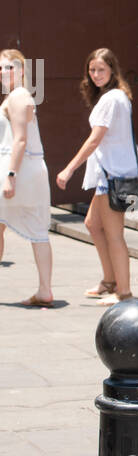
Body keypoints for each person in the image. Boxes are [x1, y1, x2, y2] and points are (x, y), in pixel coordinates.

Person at [56, 48, 138, 304]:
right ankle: (109, 280)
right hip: (114, 174)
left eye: (101, 70)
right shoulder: (118, 97)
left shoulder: (111, 99)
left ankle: (124, 291)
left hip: (113, 176)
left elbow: (95, 140)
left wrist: (69, 168)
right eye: (92, 70)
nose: (95, 74)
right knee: (93, 224)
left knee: (115, 235)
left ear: (112, 70)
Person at [0, 48, 54, 306]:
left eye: (9, 67)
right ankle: (44, 290)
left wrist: (10, 175)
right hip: (26, 168)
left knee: (34, 228)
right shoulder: (18, 96)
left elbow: (20, 140)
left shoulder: (18, 96)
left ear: (22, 71)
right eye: (1, 67)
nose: (3, 72)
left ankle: (45, 290)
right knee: (37, 229)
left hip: (19, 169)